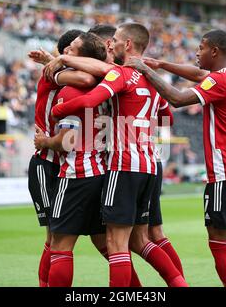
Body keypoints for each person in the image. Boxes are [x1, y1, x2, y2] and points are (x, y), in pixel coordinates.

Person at [126, 29, 226, 287]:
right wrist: (162, 64)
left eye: (201, 47)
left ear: (214, 51)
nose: (196, 52)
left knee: (219, 244)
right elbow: (201, 75)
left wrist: (147, 71)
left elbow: (177, 99)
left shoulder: (219, 82)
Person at [52, 23, 188, 287]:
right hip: (149, 164)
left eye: (113, 40)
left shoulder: (121, 75)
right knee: (143, 239)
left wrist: (59, 110)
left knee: (116, 244)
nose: (110, 45)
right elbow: (166, 118)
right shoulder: (151, 78)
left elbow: (91, 100)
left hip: (122, 165)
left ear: (126, 45)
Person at [28, 29, 101, 287]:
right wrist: (55, 60)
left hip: (64, 164)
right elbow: (86, 78)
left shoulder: (60, 74)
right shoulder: (56, 75)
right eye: (68, 51)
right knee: (54, 237)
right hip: (46, 161)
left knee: (63, 239)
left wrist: (54, 57)